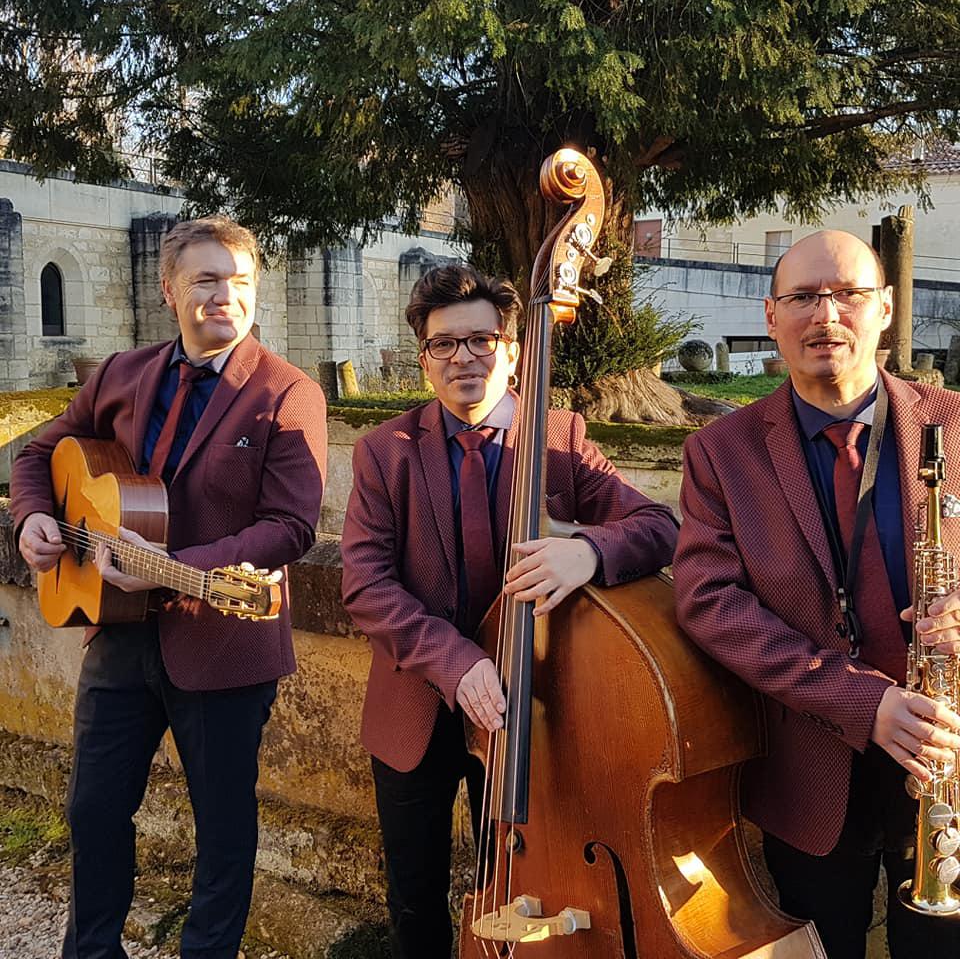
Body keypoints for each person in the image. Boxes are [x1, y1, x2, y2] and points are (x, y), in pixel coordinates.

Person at [340, 263, 678, 959]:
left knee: (533, 888)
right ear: (424, 358)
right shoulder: (384, 451)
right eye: (445, 344)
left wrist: (587, 552)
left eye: (482, 339)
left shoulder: (560, 436)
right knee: (415, 892)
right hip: (418, 710)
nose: (465, 357)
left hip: (534, 711)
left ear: (515, 349)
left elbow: (658, 526)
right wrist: (455, 661)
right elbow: (366, 585)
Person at [11, 216, 327, 959]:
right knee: (93, 811)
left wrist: (170, 559)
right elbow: (39, 453)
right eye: (206, 280)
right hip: (116, 632)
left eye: (240, 281)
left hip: (222, 643)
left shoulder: (288, 393)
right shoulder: (122, 373)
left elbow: (289, 527)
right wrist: (30, 519)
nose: (226, 296)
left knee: (222, 830)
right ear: (169, 290)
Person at [673, 229, 960, 959]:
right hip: (807, 766)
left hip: (942, 754)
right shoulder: (719, 450)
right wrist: (864, 701)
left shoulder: (953, 423)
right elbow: (710, 603)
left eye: (847, 295)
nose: (824, 315)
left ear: (886, 308)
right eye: (802, 297)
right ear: (771, 315)